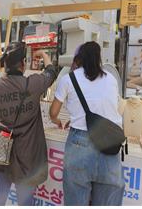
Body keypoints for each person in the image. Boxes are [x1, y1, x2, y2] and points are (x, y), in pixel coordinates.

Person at [50, 41, 125, 206]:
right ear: (98, 58)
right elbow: (108, 107)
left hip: (78, 144)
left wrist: (59, 121)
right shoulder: (111, 78)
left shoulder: (68, 79)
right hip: (109, 143)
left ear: (79, 58)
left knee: (76, 200)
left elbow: (53, 113)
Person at [0, 42, 58, 206]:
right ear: (23, 63)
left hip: (1, 145)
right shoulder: (32, 84)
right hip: (27, 152)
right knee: (25, 202)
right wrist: (43, 55)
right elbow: (51, 72)